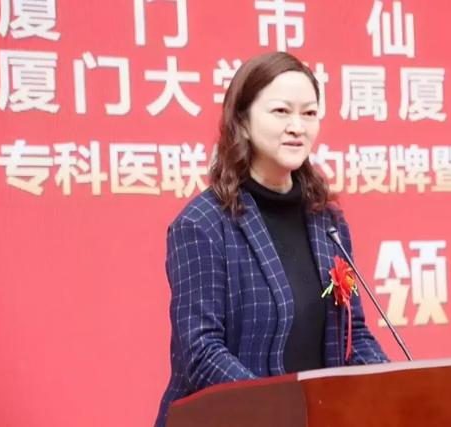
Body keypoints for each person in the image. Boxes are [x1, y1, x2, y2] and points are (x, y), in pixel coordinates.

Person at [155, 51, 387, 427]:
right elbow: (201, 353)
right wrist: (281, 411)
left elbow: (353, 333)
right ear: (242, 122)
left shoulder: (327, 221)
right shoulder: (202, 224)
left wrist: (394, 387)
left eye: (309, 113)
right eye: (281, 111)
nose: (297, 126)